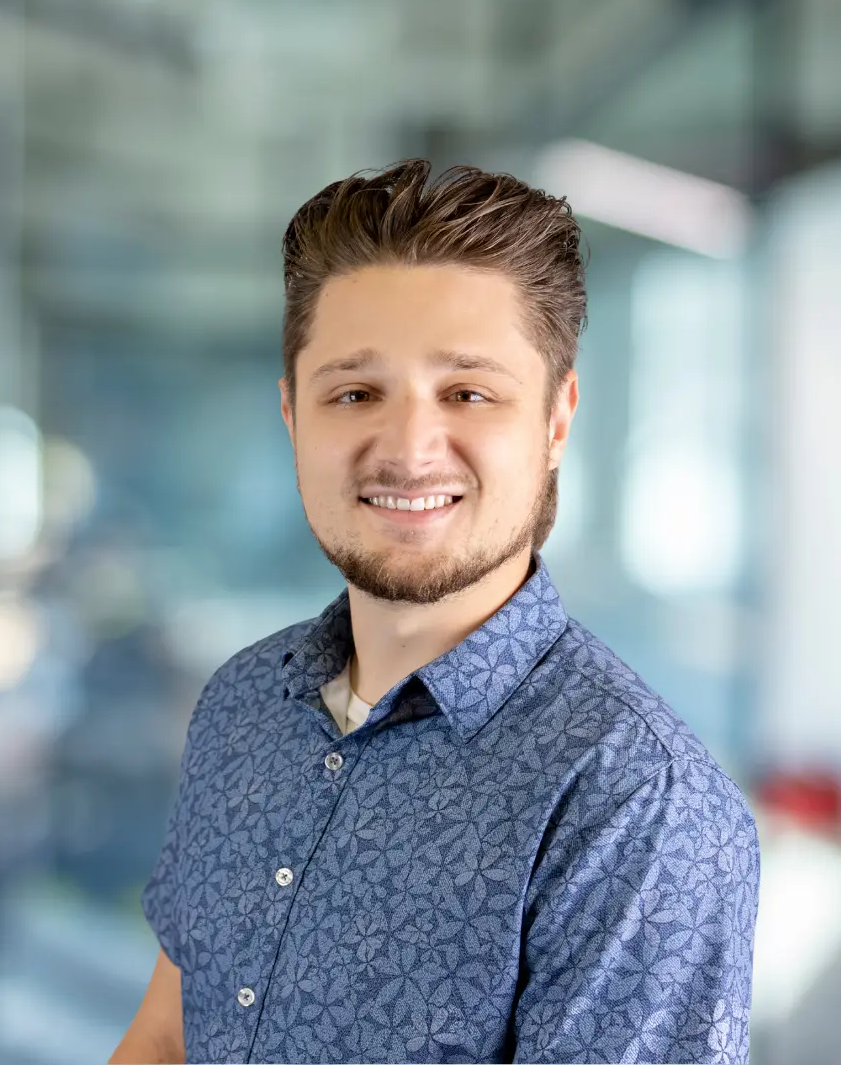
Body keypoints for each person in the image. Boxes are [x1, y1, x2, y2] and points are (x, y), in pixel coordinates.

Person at [110, 159, 759, 1065]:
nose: (411, 449)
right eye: (355, 393)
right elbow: (166, 1035)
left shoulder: (637, 807)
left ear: (557, 418)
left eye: (468, 393)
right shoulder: (242, 704)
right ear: (293, 415)